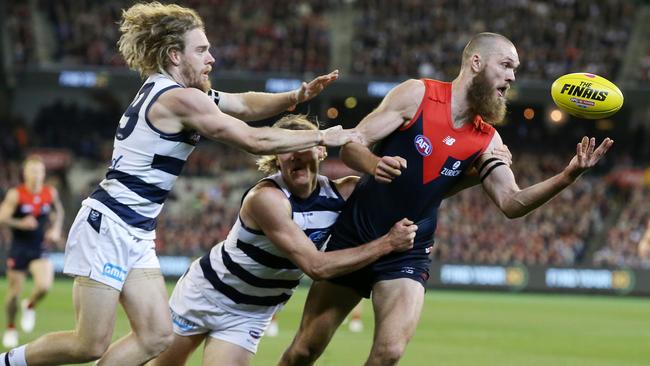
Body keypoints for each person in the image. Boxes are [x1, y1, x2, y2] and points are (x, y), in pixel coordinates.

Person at [0, 3, 361, 365]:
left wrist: (294, 98)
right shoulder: (179, 99)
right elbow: (255, 140)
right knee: (88, 344)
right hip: (109, 225)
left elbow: (243, 103)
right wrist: (321, 138)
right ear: (175, 55)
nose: (212, 58)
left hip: (134, 229)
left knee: (156, 337)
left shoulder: (172, 90)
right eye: (202, 50)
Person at [279, 32, 613, 366]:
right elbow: (352, 145)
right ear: (476, 62)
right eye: (507, 65)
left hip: (408, 250)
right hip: (357, 234)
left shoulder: (488, 140)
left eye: (516, 69)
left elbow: (512, 203)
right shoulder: (417, 95)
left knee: (389, 353)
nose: (512, 77)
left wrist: (567, 176)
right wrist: (374, 163)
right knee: (305, 350)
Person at [149, 114, 417, 366]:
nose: (297, 155)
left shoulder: (344, 193)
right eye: (288, 147)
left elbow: (402, 191)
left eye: (307, 145)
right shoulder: (266, 199)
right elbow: (316, 267)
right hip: (206, 294)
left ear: (322, 150)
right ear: (277, 156)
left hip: (250, 313)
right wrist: (387, 244)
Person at [0, 156, 64, 348]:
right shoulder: (16, 194)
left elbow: (58, 211)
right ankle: (11, 327)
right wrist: (20, 222)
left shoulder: (49, 192)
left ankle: (29, 305)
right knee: (13, 295)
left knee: (44, 286)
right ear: (25, 173)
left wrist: (55, 229)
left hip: (39, 247)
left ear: (44, 173)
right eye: (32, 171)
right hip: (19, 248)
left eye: (39, 171)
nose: (36, 175)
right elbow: (2, 218)